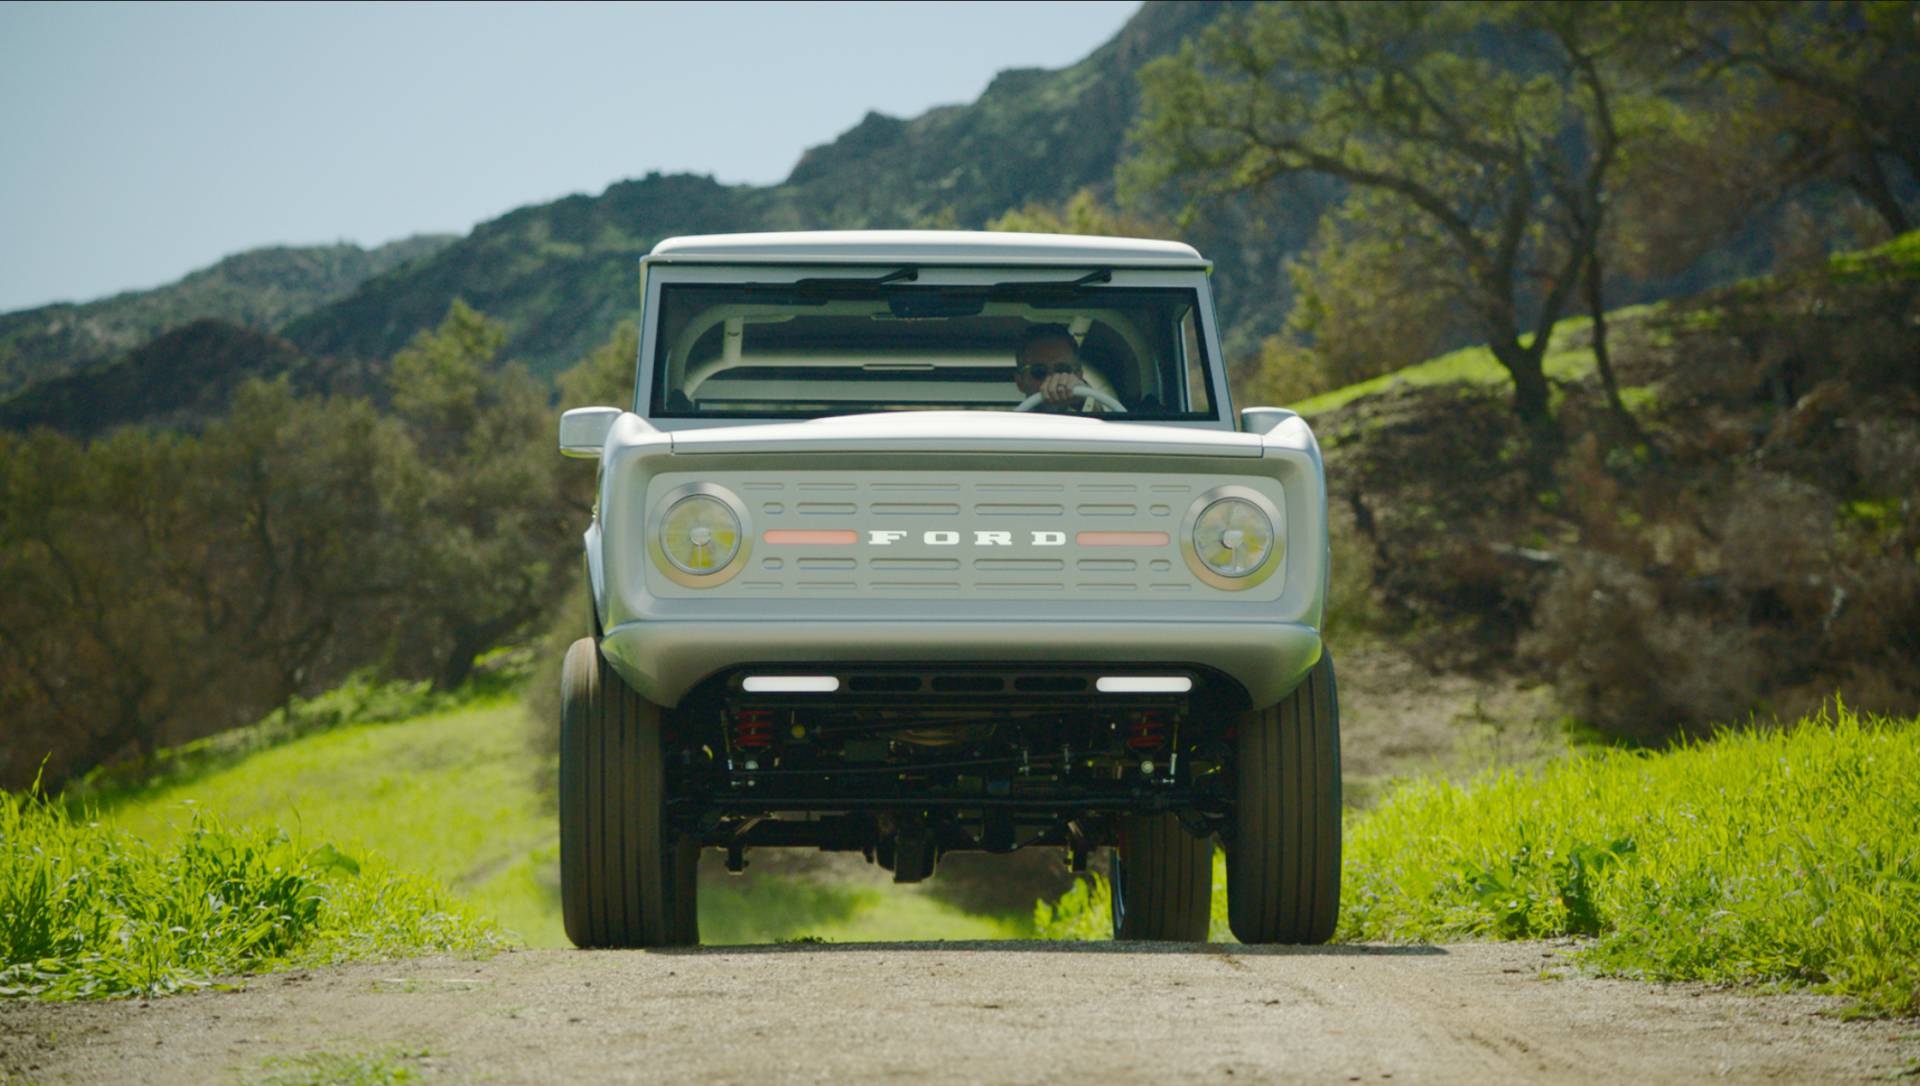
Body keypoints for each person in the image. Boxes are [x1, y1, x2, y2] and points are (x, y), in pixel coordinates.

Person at [1012, 324, 1099, 412]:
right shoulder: (1006, 425)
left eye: (1062, 370)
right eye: (1039, 371)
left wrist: (1087, 401)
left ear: (1079, 376)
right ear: (1020, 382)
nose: (1051, 381)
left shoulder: (1101, 425)